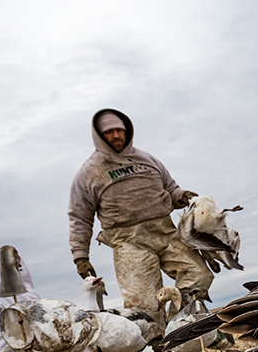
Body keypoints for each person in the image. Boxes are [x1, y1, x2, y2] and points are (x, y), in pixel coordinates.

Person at [68, 108, 213, 318]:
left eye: (120, 130)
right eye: (109, 132)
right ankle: (156, 350)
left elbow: (171, 189)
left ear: (128, 131)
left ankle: (177, 325)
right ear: (99, 136)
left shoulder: (148, 160)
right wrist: (80, 256)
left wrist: (182, 196)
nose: (116, 135)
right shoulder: (88, 173)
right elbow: (79, 217)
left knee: (199, 274)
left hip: (166, 233)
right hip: (128, 242)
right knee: (143, 306)